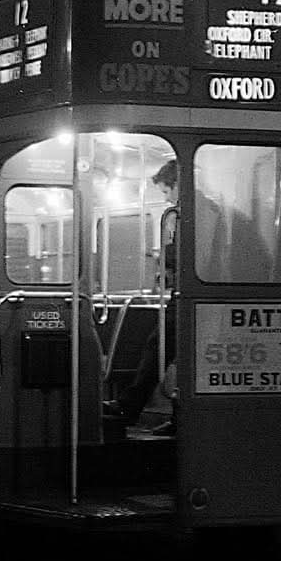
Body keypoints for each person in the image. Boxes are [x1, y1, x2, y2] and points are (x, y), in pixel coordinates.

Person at [114, 159, 179, 429]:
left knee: (159, 346)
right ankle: (143, 408)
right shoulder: (192, 212)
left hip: (187, 297)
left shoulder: (191, 213)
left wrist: (165, 260)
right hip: (183, 294)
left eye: (166, 191)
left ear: (178, 185)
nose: (166, 199)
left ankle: (130, 406)